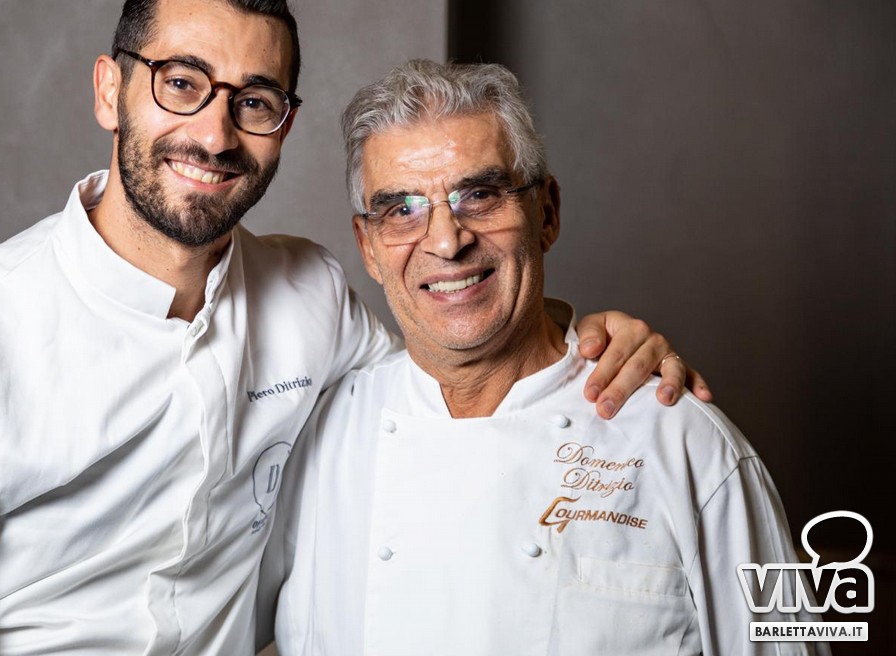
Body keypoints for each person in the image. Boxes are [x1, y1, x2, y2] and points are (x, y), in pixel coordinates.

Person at [0, 0, 704, 655]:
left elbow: (456, 362)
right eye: (180, 82)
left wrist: (576, 335)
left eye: (254, 100)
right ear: (109, 90)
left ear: (283, 124)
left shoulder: (311, 297)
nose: (214, 134)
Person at [259, 59, 822, 655]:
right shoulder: (313, 440)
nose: (446, 242)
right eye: (402, 209)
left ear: (546, 212)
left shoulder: (691, 444)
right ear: (369, 247)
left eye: (480, 195)